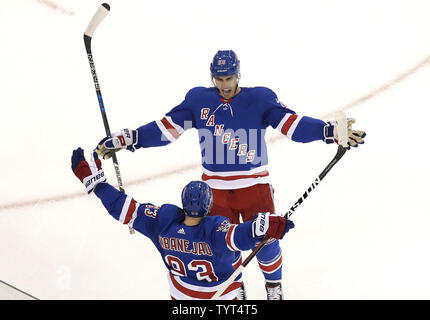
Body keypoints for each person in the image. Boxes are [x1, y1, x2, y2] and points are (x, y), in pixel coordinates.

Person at [95, 50, 366, 300]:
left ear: (239, 75)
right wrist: (131, 138)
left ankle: (274, 287)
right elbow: (166, 129)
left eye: (229, 78)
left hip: (254, 187)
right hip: (214, 192)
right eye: (219, 78)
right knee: (220, 246)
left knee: (267, 240)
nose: (224, 84)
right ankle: (234, 287)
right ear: (212, 77)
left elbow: (292, 125)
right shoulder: (198, 100)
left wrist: (327, 132)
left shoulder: (259, 99)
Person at [71, 147, 295, 300]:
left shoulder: (162, 221)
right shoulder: (216, 230)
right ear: (208, 207)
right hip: (224, 295)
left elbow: (124, 208)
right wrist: (267, 224)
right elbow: (244, 235)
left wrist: (98, 185)